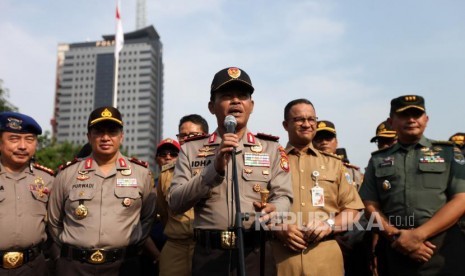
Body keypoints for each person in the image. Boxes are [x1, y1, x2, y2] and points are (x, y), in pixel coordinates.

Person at [168, 67, 293, 276]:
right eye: (226, 96)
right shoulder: (191, 149)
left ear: (251, 106)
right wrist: (213, 169)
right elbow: (175, 203)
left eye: (243, 96)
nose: (236, 101)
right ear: (211, 106)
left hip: (256, 252)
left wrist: (275, 210)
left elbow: (284, 197)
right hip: (209, 255)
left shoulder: (271, 148)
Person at [360, 95, 465, 276]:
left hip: (441, 248)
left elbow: (461, 199)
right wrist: (396, 236)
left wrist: (418, 235)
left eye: (416, 114)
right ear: (391, 122)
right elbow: (370, 205)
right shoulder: (378, 159)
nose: (411, 120)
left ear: (426, 119)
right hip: (394, 247)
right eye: (404, 115)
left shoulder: (449, 153)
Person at [48, 106, 157, 275]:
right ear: (89, 136)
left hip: (123, 266)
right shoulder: (67, 174)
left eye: (112, 131)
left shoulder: (141, 174)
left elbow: (147, 218)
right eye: (98, 131)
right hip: (75, 266)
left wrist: (131, 247)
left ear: (121, 137)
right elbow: (54, 221)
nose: (105, 138)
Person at [271, 99, 364, 276]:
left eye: (311, 119)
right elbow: (254, 204)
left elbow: (352, 209)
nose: (306, 124)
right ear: (285, 124)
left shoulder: (334, 164)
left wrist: (329, 224)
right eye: (299, 119)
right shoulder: (272, 161)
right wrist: (277, 226)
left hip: (326, 258)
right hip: (280, 258)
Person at [0, 112, 54, 276]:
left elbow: (56, 224)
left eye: (29, 139)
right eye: (14, 139)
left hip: (33, 267)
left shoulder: (47, 179)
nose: (23, 146)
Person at [157, 116, 208, 276]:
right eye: (182, 136)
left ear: (206, 136)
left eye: (192, 135)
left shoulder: (217, 165)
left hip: (206, 245)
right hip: (176, 246)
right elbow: (164, 212)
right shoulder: (167, 173)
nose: (186, 140)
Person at [312, 120, 364, 190]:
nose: (324, 142)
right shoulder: (307, 168)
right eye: (318, 139)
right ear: (312, 143)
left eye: (328, 138)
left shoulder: (352, 172)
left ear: (336, 142)